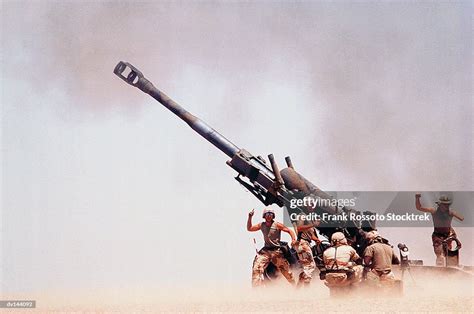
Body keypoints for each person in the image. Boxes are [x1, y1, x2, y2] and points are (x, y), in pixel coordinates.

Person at [247, 208, 296, 287]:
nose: (269, 216)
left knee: (287, 272)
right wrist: (250, 217)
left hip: (276, 252)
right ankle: (255, 292)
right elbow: (250, 229)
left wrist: (293, 239)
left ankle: (295, 286)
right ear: (264, 216)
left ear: (273, 216)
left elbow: (289, 231)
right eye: (267, 214)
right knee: (256, 268)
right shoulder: (261, 225)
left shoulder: (277, 224)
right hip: (266, 251)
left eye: (271, 214)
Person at [415, 194, 464, 266]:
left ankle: (450, 271)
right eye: (444, 205)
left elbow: (462, 218)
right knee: (439, 254)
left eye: (447, 205)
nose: (446, 207)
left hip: (448, 235)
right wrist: (417, 198)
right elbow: (419, 208)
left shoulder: (451, 212)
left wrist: (455, 238)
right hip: (437, 235)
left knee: (449, 255)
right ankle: (439, 270)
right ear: (440, 205)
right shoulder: (433, 211)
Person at [294, 219, 320, 287]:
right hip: (303, 244)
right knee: (311, 266)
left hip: (305, 244)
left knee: (306, 267)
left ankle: (298, 288)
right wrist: (313, 225)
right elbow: (299, 228)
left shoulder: (309, 219)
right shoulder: (302, 216)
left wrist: (316, 240)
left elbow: (310, 235)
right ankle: (306, 290)